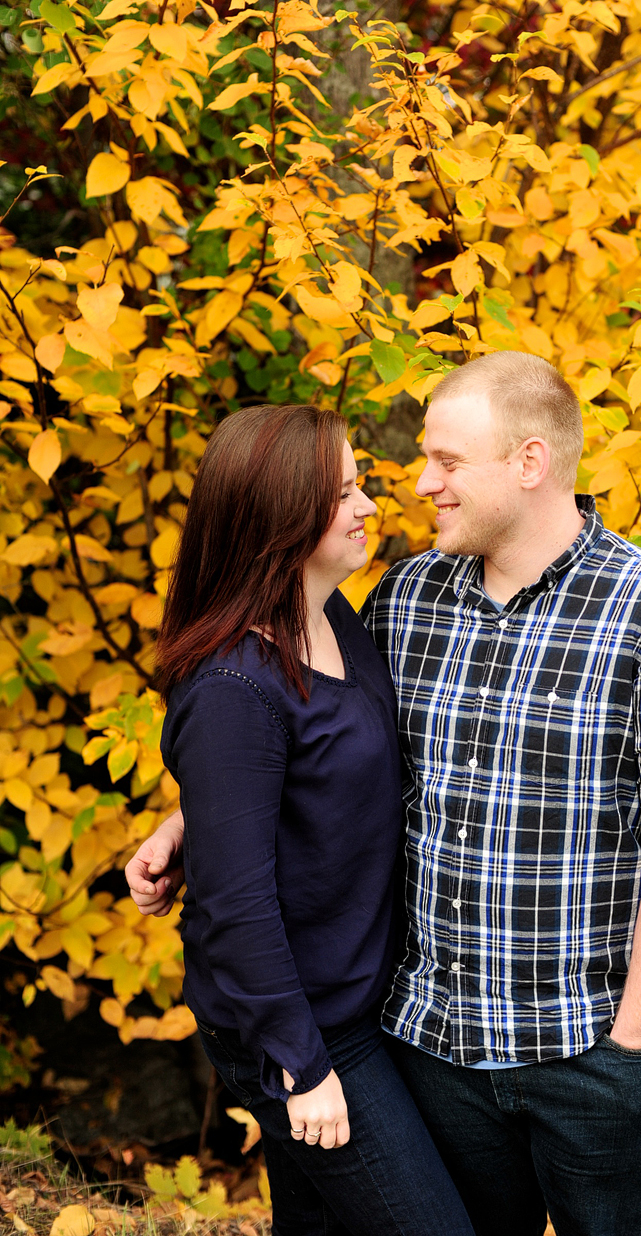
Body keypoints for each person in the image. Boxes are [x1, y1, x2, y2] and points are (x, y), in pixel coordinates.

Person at [128, 355, 641, 1236]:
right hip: (427, 1037)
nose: (421, 486)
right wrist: (195, 822)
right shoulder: (408, 600)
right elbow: (309, 747)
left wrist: (632, 1041)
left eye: (447, 463)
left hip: (584, 1047)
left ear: (528, 464)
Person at [149, 402, 475, 1236]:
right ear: (281, 520)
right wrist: (302, 1066)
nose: (369, 506)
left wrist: (194, 826)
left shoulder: (329, 618)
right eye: (344, 493)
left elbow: (319, 785)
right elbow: (235, 905)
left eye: (360, 484)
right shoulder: (236, 687)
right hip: (299, 1022)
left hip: (361, 997)